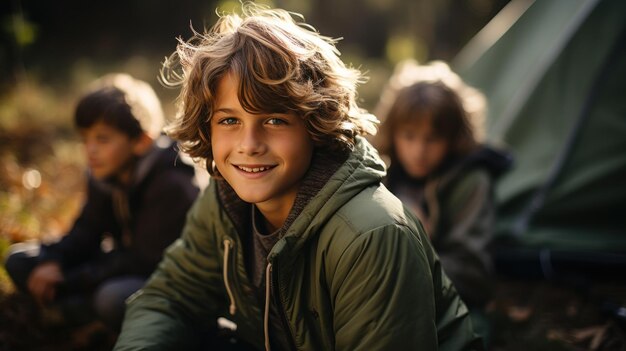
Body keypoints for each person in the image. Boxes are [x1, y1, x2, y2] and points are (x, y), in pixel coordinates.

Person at [114, 4, 481, 351]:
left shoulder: (372, 234)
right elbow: (169, 297)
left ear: (315, 125)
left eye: (274, 121)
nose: (249, 145)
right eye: (229, 120)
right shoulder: (225, 200)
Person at [4, 73, 200, 332]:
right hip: (117, 263)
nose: (90, 150)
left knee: (111, 298)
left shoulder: (172, 184)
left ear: (141, 141)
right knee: (19, 260)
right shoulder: (105, 174)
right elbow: (87, 230)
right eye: (85, 139)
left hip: (167, 278)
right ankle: (72, 311)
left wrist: (67, 279)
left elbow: (141, 260)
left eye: (103, 139)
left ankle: (77, 314)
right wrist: (54, 260)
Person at [373, 60, 512, 337]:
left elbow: (474, 276)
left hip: (454, 304)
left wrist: (419, 247)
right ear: (394, 132)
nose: (419, 150)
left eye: (432, 138)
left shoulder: (472, 181)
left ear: (453, 137)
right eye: (409, 136)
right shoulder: (382, 173)